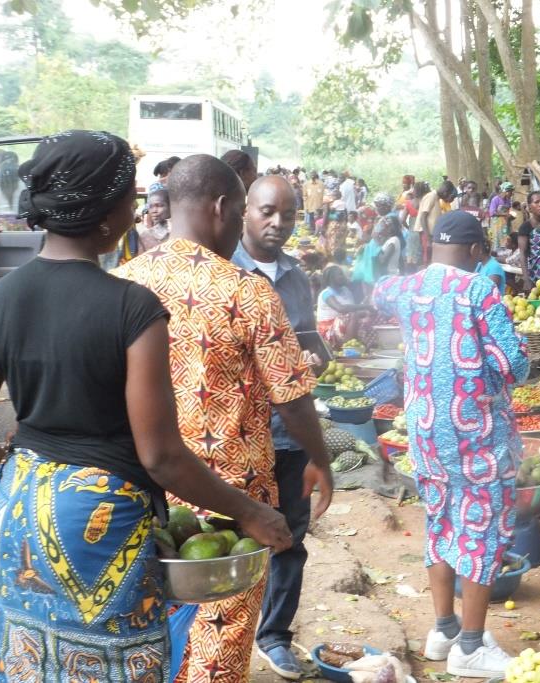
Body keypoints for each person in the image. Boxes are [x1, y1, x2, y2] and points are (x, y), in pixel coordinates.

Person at [0, 130, 294, 682]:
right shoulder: (132, 307)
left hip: (17, 514)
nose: (136, 210)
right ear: (107, 216)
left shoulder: (1, 300)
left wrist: (32, 488)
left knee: (30, 660)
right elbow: (161, 457)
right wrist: (250, 512)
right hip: (104, 522)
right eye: (130, 198)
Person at [114, 154, 330, 683]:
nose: (240, 227)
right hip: (232, 501)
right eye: (239, 213)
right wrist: (322, 461)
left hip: (145, 486)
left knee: (150, 621)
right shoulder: (248, 291)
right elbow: (292, 396)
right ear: (220, 207)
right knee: (223, 632)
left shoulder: (122, 283)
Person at [373, 211, 529, 678]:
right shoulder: (480, 290)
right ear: (478, 252)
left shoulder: (408, 287)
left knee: (441, 521)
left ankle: (443, 629)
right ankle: (471, 647)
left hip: (424, 431)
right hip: (476, 435)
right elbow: (515, 364)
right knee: (480, 530)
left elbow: (377, 291)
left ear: (431, 246)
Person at [230, 175, 332, 678]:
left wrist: (316, 359)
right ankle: (220, 641)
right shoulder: (224, 271)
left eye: (288, 215)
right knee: (229, 535)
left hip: (290, 433)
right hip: (235, 435)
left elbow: (312, 342)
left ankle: (273, 635)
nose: (277, 224)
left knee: (290, 537)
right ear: (245, 210)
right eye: (268, 212)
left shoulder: (296, 276)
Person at [317, 264, 373, 347]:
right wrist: (365, 306)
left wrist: (367, 311)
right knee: (353, 315)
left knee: (367, 315)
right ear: (332, 278)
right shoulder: (326, 293)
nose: (343, 276)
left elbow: (354, 309)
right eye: (340, 274)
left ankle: (363, 344)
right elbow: (341, 309)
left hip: (342, 324)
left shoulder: (346, 291)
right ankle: (347, 346)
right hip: (328, 328)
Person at [0, 150, 27, 230]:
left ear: (0, 165)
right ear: (17, 165)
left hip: (1, 227)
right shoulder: (24, 183)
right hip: (21, 225)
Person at [138, 188, 171, 253]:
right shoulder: (145, 236)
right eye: (151, 207)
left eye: (159, 206)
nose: (154, 211)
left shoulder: (181, 233)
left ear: (170, 206)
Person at [488, 182, 513, 248]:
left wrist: (511, 216)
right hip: (497, 224)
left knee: (505, 241)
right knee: (497, 242)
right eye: (510, 192)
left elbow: (509, 211)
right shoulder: (495, 199)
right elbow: (492, 212)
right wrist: (504, 214)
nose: (511, 194)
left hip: (505, 224)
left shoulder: (508, 200)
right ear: (505, 191)